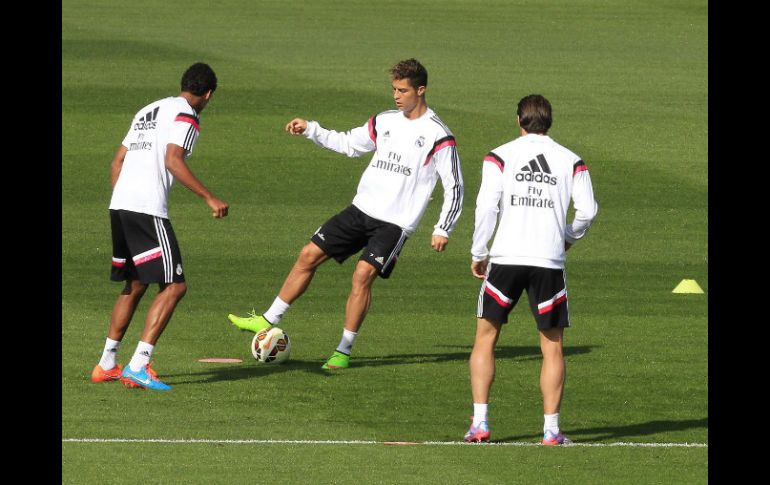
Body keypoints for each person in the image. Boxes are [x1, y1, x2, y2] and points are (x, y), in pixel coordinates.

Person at [228, 58, 464, 369]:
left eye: (403, 90)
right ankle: (267, 319)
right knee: (308, 254)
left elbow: (455, 185)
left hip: (394, 224)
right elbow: (349, 144)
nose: (396, 96)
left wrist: (443, 227)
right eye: (394, 89)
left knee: (362, 275)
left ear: (421, 90)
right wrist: (311, 129)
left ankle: (343, 350)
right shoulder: (384, 121)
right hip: (360, 210)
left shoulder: (438, 135)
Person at [464, 94, 598, 444]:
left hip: (506, 258)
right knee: (552, 347)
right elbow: (588, 211)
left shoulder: (499, 155)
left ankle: (480, 423)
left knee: (485, 338)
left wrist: (480, 251)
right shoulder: (571, 160)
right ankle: (551, 430)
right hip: (548, 261)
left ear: (519, 120)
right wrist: (569, 236)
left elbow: (486, 207)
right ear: (548, 121)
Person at [90, 62, 229, 391]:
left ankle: (107, 363)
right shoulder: (188, 115)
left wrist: (123, 198)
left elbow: (117, 161)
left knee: (135, 284)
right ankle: (139, 364)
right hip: (146, 208)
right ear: (207, 94)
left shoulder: (148, 109)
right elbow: (173, 159)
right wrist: (209, 197)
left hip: (120, 204)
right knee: (175, 286)